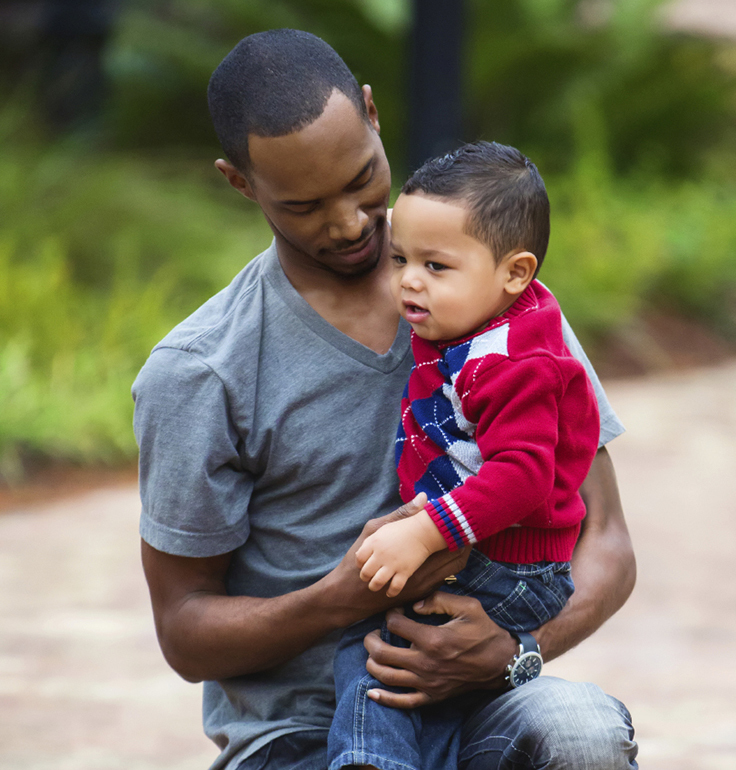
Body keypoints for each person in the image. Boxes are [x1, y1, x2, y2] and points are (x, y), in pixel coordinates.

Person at [132, 28, 638, 770]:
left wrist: (512, 653)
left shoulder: (499, 292)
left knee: (583, 732)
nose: (347, 223)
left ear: (372, 115)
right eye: (303, 206)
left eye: (363, 180)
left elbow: (609, 541)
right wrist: (344, 596)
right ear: (240, 183)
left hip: (487, 700)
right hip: (299, 735)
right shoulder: (202, 370)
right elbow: (184, 629)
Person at [328, 141, 601, 770]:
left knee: (374, 640)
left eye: (436, 266)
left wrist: (425, 533)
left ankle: (374, 761)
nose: (408, 281)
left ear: (514, 273)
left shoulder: (515, 362)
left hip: (508, 567)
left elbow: (526, 475)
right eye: (400, 259)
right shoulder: (479, 322)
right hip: (495, 557)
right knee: (399, 644)